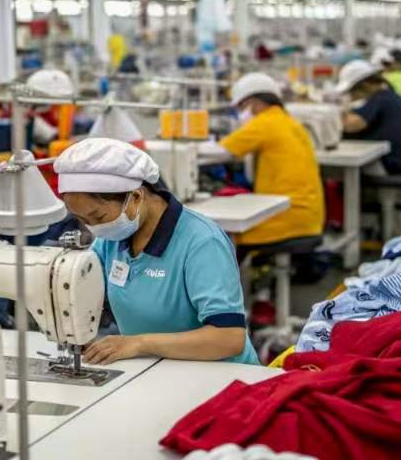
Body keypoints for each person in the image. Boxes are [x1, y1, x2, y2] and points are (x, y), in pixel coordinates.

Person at [54, 138, 260, 366]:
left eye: (98, 217)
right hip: (157, 370)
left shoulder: (202, 242)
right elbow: (81, 287)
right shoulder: (111, 239)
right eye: (82, 220)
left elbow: (229, 338)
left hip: (225, 379)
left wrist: (138, 343)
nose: (93, 227)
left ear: (135, 197)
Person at [214, 72, 324, 248]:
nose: (241, 114)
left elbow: (219, 151)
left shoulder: (265, 123)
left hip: (286, 218)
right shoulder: (289, 122)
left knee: (219, 236)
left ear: (254, 103)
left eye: (241, 107)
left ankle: (238, 276)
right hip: (308, 217)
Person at [338, 60, 401, 175]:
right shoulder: (388, 96)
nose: (351, 96)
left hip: (394, 164)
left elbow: (351, 125)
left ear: (365, 84)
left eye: (352, 91)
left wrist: (337, 112)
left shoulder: (381, 99)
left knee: (337, 170)